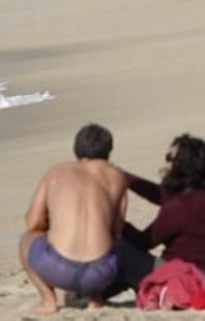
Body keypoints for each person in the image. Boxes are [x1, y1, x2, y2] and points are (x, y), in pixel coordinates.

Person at [19, 124, 128, 315]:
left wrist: (50, 225)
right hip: (101, 273)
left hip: (56, 269)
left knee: (26, 239)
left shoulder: (56, 172)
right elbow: (116, 230)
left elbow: (33, 223)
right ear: (108, 151)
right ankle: (96, 298)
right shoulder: (117, 177)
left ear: (76, 149)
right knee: (110, 240)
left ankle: (48, 300)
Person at [112, 135, 205, 291]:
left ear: (183, 165)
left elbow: (143, 242)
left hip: (187, 281)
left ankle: (90, 295)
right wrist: (124, 177)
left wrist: (116, 222)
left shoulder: (181, 206)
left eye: (169, 158)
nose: (166, 163)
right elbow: (159, 194)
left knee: (122, 250)